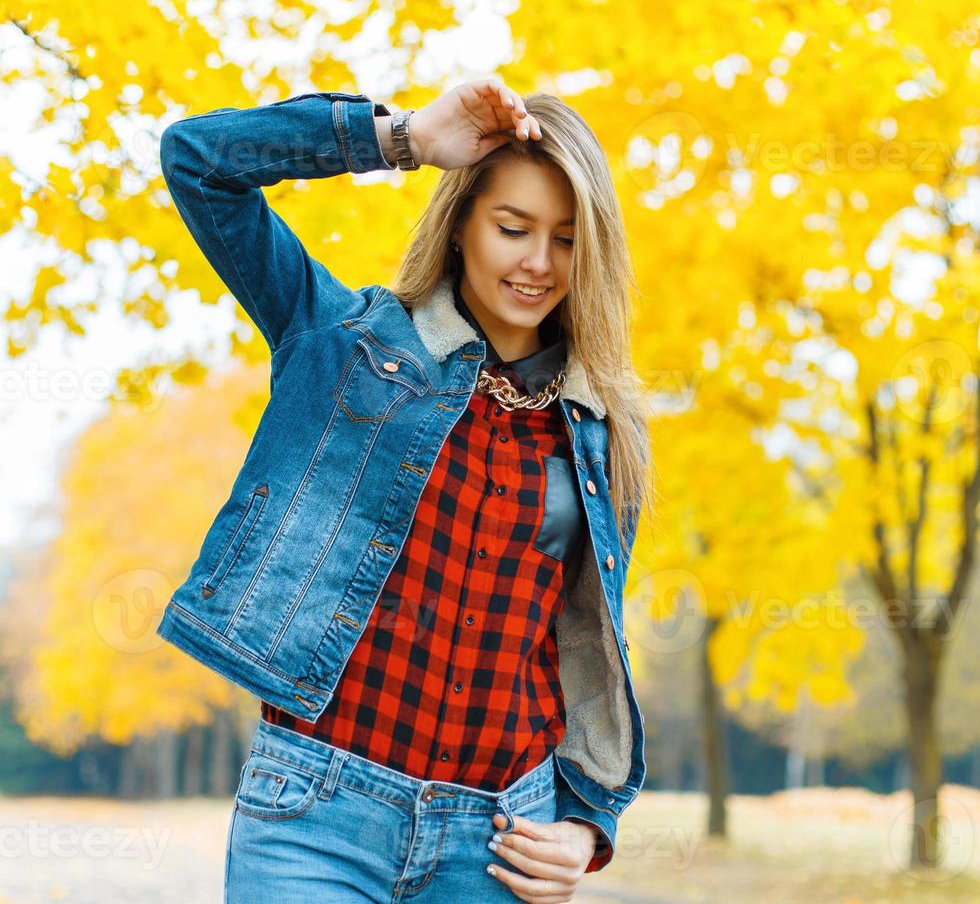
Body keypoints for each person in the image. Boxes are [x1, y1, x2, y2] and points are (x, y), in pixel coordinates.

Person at [156, 78, 653, 902]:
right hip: (314, 821)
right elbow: (199, 162)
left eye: (566, 239)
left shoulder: (599, 429)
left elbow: (586, 644)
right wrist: (404, 139)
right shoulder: (342, 342)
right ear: (461, 224)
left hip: (498, 845)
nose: (537, 263)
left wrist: (587, 822)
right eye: (512, 227)